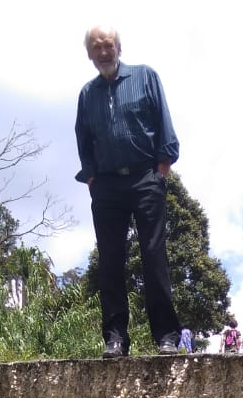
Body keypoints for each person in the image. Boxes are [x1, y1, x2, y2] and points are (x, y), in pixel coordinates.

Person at [74, 26, 181, 358]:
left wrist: (161, 172)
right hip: (107, 185)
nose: (103, 51)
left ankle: (166, 336)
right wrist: (93, 180)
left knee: (153, 255)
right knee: (109, 260)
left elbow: (163, 124)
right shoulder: (87, 94)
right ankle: (115, 338)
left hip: (145, 177)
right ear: (89, 54)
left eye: (108, 45)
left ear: (119, 47)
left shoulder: (145, 76)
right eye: (96, 47)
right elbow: (83, 140)